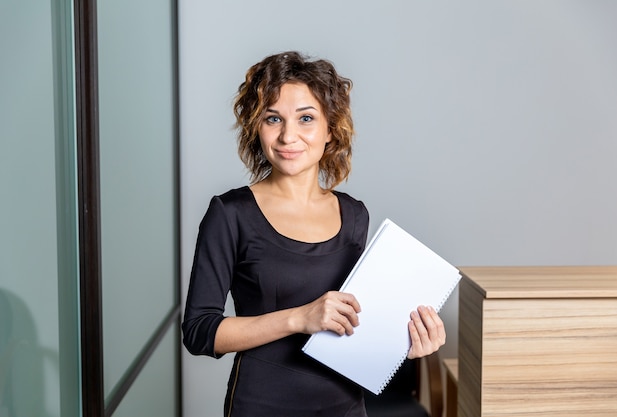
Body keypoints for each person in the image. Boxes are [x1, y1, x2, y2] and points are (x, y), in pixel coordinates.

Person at [182, 51, 446, 417]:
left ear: (330, 130)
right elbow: (199, 332)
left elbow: (356, 323)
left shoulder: (354, 215)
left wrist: (408, 341)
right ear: (257, 128)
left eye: (306, 118)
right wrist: (299, 318)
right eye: (273, 118)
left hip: (345, 406)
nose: (288, 135)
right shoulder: (230, 214)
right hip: (259, 405)